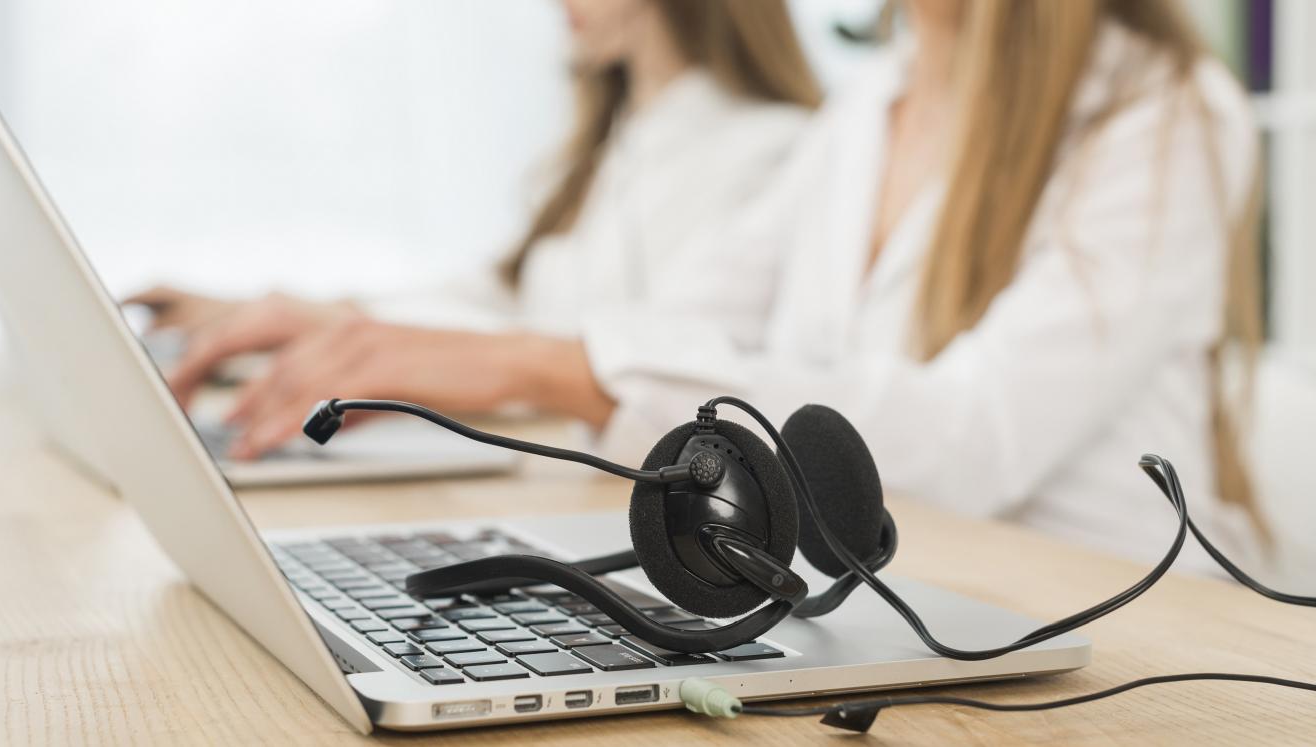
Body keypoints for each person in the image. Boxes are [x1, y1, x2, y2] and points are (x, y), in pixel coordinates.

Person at [573, 0, 1270, 569]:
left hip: (1114, 628)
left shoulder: (1159, 110)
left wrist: (586, 372)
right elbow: (696, 312)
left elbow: (977, 437)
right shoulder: (866, 104)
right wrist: (545, 364)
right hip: (903, 597)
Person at [129, 0, 820, 457]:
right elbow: (497, 298)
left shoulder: (772, 149)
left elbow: (664, 353)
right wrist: (324, 317)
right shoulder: (603, 152)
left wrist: (381, 340)